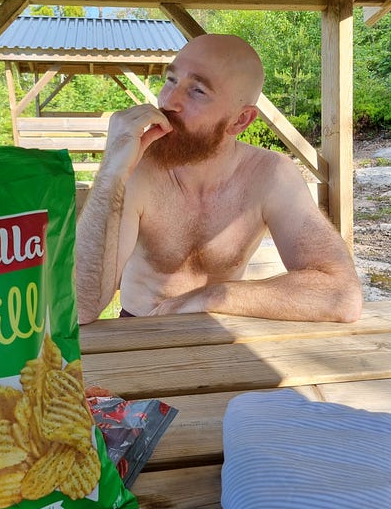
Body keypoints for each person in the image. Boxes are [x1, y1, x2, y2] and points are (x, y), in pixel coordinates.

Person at [76, 34, 362, 324]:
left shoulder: (270, 175)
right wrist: (111, 173)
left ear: (241, 120)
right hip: (139, 329)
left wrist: (215, 296)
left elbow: (342, 294)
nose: (168, 101)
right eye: (171, 80)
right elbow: (79, 306)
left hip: (223, 335)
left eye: (197, 91)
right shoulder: (137, 169)